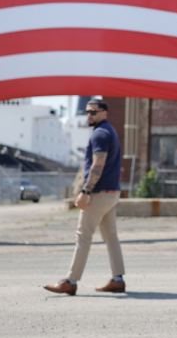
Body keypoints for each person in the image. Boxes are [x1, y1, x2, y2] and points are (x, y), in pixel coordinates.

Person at [44, 99, 126, 296]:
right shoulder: (110, 131)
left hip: (98, 194)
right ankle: (118, 280)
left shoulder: (100, 134)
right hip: (112, 193)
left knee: (83, 236)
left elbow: (98, 164)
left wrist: (85, 191)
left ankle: (70, 282)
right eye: (87, 112)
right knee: (111, 237)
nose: (89, 115)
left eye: (93, 112)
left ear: (104, 113)